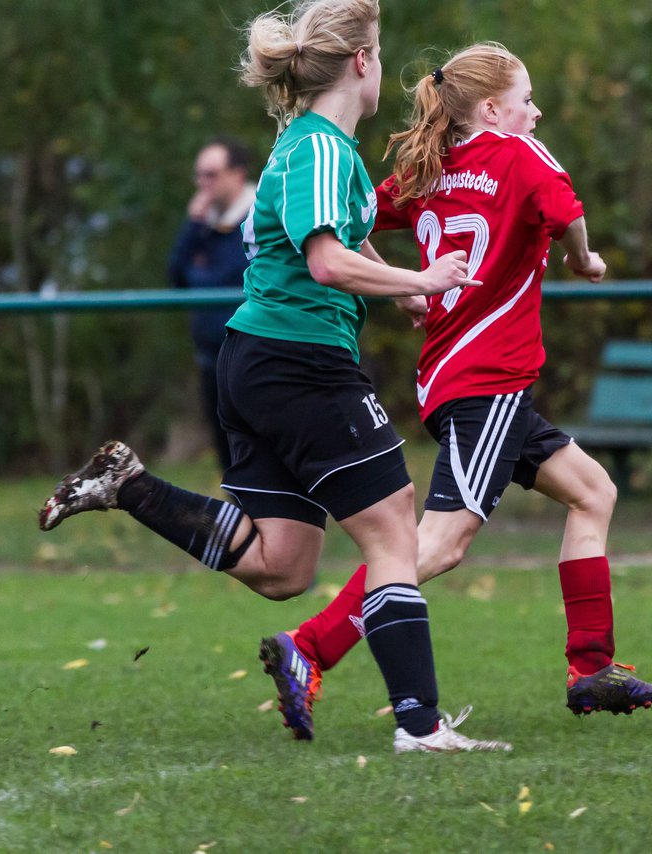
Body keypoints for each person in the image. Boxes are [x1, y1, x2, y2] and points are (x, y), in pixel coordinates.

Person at [39, 0, 510, 755]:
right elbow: (325, 261)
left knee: (281, 565)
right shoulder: (323, 149)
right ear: (362, 63)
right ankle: (420, 728)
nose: (382, 67)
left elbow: (326, 251)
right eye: (380, 52)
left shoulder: (306, 146)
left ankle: (130, 485)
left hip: (255, 359)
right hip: (300, 362)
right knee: (395, 528)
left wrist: (397, 284)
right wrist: (421, 282)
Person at [258, 43, 652, 742]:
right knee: (438, 545)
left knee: (592, 491)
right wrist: (583, 258)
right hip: (490, 382)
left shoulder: (426, 166)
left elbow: (356, 221)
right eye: (527, 99)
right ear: (491, 110)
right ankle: (312, 647)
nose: (535, 112)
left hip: (460, 381)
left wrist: (405, 291)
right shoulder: (521, 154)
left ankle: (590, 668)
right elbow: (568, 211)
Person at [167, 137, 255, 472]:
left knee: (261, 448)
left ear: (237, 174)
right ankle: (239, 522)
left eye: (212, 175)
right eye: (199, 176)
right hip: (211, 360)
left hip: (253, 355)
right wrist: (192, 225)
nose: (204, 184)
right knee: (227, 455)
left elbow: (222, 276)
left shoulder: (260, 218)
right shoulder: (202, 226)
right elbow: (177, 277)